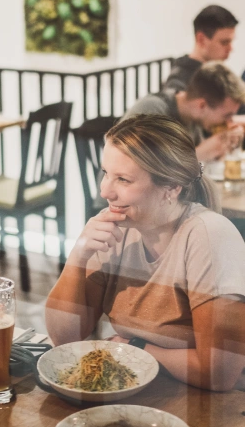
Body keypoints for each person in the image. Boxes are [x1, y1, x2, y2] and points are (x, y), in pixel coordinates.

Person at [46, 114, 245, 392]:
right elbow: (65, 340)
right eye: (106, 173)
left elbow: (219, 373)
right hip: (141, 387)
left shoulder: (208, 236)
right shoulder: (116, 226)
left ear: (172, 188)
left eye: (123, 180)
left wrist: (133, 348)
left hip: (210, 406)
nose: (105, 191)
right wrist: (78, 257)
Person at [124, 62, 245, 161]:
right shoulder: (151, 111)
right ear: (202, 105)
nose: (229, 121)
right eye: (227, 116)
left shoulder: (193, 120)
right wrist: (200, 154)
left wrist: (222, 149)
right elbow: (136, 169)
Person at [162, 5, 238, 92]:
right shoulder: (179, 84)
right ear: (201, 39)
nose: (231, 49)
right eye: (224, 42)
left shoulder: (216, 77)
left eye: (231, 42)